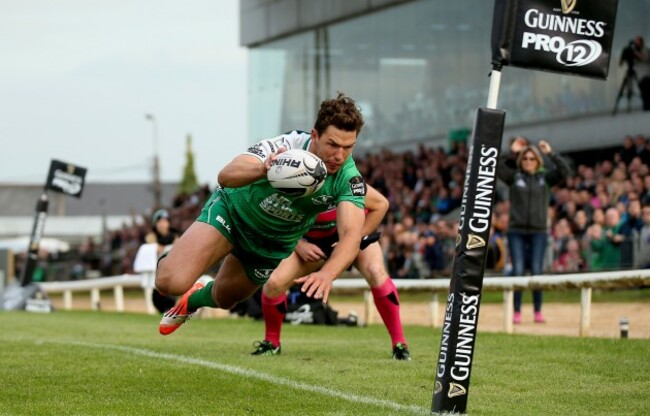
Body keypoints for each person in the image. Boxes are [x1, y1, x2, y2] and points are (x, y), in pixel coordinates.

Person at [155, 93, 367, 336]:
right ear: (315, 135)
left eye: (348, 147)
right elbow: (226, 175)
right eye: (332, 144)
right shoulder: (287, 146)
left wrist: (328, 274)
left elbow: (352, 235)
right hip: (233, 214)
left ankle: (191, 301)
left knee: (225, 299)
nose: (339, 155)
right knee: (169, 282)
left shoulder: (348, 177)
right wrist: (265, 169)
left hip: (271, 243)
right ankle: (171, 260)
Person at [251, 185, 411, 360]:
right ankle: (272, 343)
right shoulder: (293, 180)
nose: (336, 158)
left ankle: (400, 345)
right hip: (311, 243)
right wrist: (298, 244)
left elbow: (381, 204)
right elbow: (269, 219)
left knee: (376, 271)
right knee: (274, 283)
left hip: (351, 237)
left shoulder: (347, 179)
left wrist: (355, 238)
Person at [497, 137, 571, 324]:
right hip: (516, 232)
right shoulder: (514, 177)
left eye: (532, 159)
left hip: (539, 232)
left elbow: (565, 171)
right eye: (525, 158)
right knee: (519, 271)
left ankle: (538, 312)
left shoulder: (545, 178)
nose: (528, 162)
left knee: (537, 271)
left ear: (537, 161)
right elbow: (495, 166)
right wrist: (511, 152)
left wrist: (550, 154)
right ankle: (517, 312)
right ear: (520, 161)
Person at [145, 209, 180, 313]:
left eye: (165, 222)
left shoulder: (175, 236)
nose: (162, 225)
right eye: (160, 222)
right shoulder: (151, 237)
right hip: (155, 274)